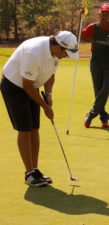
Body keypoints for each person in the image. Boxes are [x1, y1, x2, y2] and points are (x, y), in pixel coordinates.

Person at [0, 31, 78, 187]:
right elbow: (26, 85)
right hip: (14, 86)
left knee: (34, 128)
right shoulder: (34, 52)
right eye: (66, 53)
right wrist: (45, 107)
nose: (66, 56)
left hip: (31, 86)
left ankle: (35, 170)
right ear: (57, 46)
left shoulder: (57, 53)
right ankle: (29, 173)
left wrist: (48, 94)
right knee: (25, 128)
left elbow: (50, 75)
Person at [78, 4, 109, 128]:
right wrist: (80, 18)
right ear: (99, 14)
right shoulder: (93, 27)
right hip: (95, 63)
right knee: (98, 92)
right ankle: (104, 117)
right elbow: (80, 36)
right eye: (103, 13)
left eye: (108, 13)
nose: (105, 15)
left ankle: (90, 115)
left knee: (105, 89)